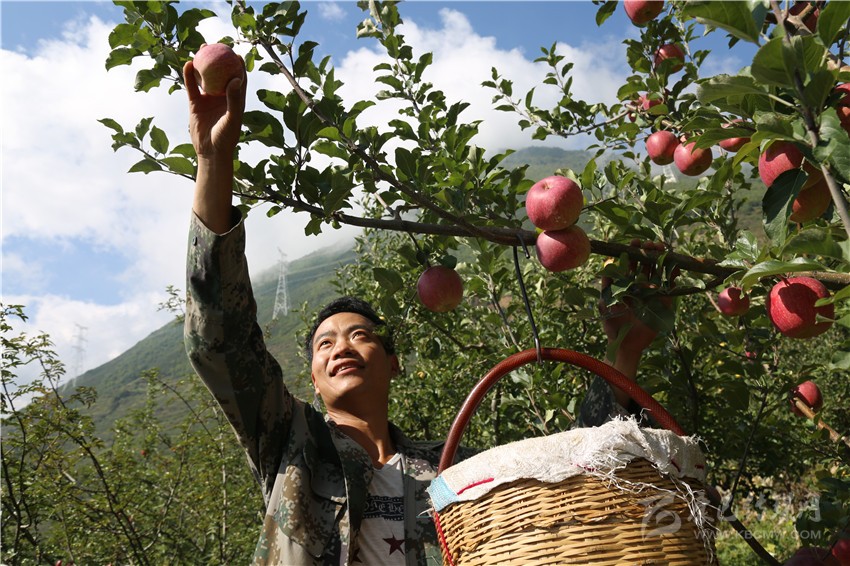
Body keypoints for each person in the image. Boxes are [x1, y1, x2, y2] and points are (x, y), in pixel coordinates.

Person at [180, 56, 666, 565]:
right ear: (313, 381)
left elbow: (570, 479)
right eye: (325, 343)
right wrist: (214, 160)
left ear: (394, 363)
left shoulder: (453, 471)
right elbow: (220, 339)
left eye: (360, 335)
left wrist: (622, 353)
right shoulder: (292, 443)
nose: (341, 346)